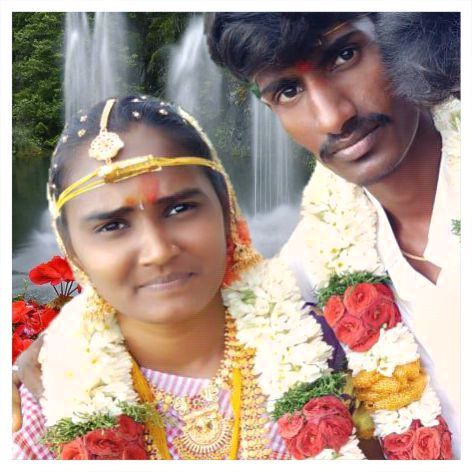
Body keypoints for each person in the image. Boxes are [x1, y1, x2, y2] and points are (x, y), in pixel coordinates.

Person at [13, 95, 369, 460]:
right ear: (72, 250)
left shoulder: (330, 348)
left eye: (179, 208)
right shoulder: (41, 412)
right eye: (113, 225)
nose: (158, 251)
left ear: (226, 209)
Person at [206, 12, 460, 457]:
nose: (334, 117)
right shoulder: (308, 265)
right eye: (288, 91)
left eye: (345, 55)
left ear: (400, 34)